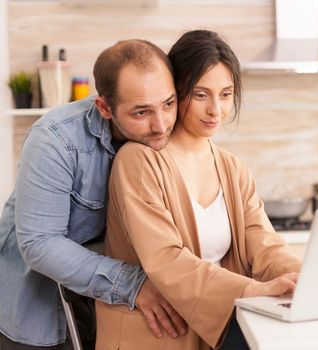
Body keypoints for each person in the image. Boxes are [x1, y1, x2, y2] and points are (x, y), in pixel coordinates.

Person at [95, 30, 302, 350]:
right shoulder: (139, 160)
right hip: (158, 335)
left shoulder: (234, 169)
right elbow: (166, 260)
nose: (215, 110)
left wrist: (298, 274)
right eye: (201, 94)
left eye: (226, 94)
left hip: (215, 329)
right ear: (176, 92)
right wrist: (252, 290)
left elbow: (263, 244)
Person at [0, 40, 188, 349]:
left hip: (102, 308)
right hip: (35, 311)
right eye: (141, 112)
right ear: (104, 107)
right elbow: (40, 244)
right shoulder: (54, 139)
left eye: (168, 104)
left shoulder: (163, 132)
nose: (161, 125)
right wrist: (135, 284)